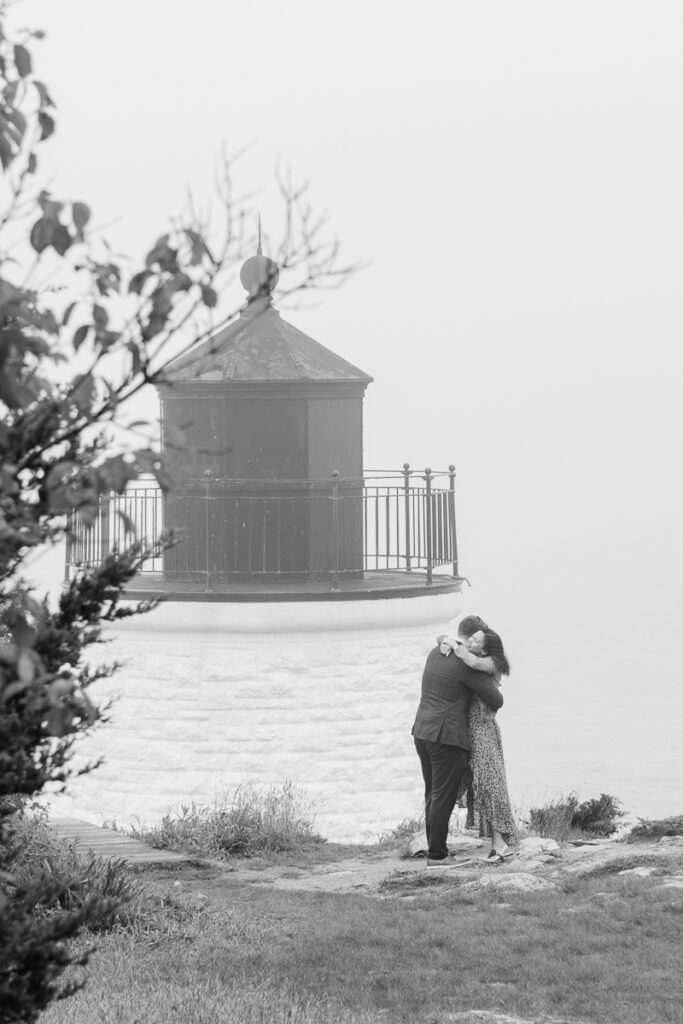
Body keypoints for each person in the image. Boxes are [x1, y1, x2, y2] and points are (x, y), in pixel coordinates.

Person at [412, 617, 503, 866]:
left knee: (432, 793)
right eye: (478, 637)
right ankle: (438, 855)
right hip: (447, 737)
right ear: (473, 636)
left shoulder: (435, 652)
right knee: (443, 796)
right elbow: (496, 699)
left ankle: (436, 848)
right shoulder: (465, 665)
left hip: (422, 730)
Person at [440, 626, 518, 862]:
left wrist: (454, 646)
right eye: (471, 637)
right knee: (469, 783)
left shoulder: (490, 663)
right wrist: (446, 641)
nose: (470, 640)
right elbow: (444, 639)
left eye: (476, 639)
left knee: (489, 783)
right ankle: (438, 842)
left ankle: (500, 843)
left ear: (486, 649)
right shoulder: (473, 655)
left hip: (482, 729)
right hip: (470, 729)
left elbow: (472, 663)